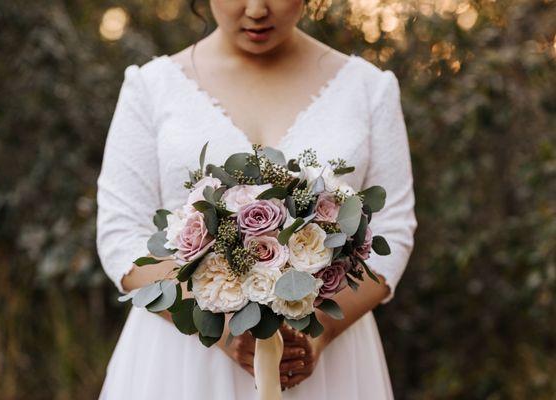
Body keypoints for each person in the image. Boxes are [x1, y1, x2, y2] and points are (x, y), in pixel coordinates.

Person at [96, 0, 417, 398]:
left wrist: (316, 333)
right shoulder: (151, 87)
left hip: (326, 361)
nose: (257, 9)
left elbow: (394, 231)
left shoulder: (368, 89)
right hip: (182, 363)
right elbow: (121, 236)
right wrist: (228, 331)